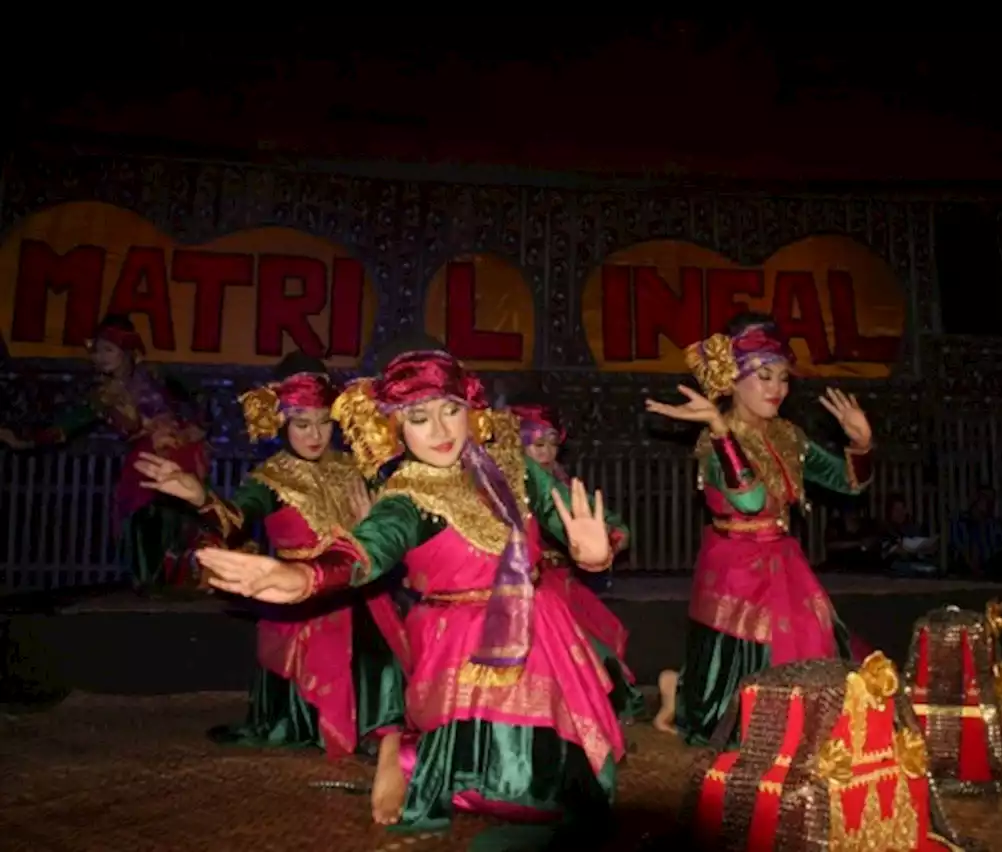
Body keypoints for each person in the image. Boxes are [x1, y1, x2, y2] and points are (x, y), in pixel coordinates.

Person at [194, 335, 626, 842]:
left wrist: (598, 551)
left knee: (580, 794)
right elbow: (365, 551)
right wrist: (302, 578)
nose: (441, 431)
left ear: (470, 408)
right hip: (462, 647)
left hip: (541, 631)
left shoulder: (513, 465)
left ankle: (420, 748)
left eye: (450, 411)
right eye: (419, 419)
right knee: (518, 795)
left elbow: (589, 520)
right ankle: (399, 752)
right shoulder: (407, 496)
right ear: (397, 427)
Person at [135, 352, 409, 764]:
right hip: (301, 602)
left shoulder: (355, 467)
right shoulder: (271, 478)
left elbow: (394, 522)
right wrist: (200, 497)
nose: (315, 434)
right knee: (336, 653)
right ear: (283, 422)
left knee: (381, 655)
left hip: (357, 588)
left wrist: (375, 519)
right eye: (302, 424)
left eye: (323, 422)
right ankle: (336, 727)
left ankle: (378, 731)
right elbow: (234, 520)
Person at [646, 313, 874, 744]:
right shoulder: (714, 443)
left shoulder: (789, 435)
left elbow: (850, 482)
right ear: (732, 381)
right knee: (747, 670)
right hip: (735, 563)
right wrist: (719, 429)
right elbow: (749, 501)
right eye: (764, 376)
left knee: (814, 638)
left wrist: (861, 445)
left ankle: (683, 687)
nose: (777, 389)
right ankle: (685, 693)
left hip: (783, 558)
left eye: (784, 379)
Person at [0, 314, 208, 591]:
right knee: (136, 515)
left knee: (176, 519)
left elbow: (198, 400)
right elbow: (66, 426)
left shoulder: (156, 374)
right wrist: (23, 442)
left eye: (108, 350)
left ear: (129, 353)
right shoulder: (100, 396)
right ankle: (150, 585)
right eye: (97, 350)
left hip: (180, 454)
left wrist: (195, 428)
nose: (100, 357)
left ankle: (182, 581)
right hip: (144, 460)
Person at [506, 396, 645, 722]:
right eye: (536, 444)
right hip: (529, 590)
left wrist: (612, 537)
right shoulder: (507, 484)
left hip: (566, 587)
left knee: (597, 657)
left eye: (552, 443)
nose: (546, 452)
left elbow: (607, 522)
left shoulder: (561, 483)